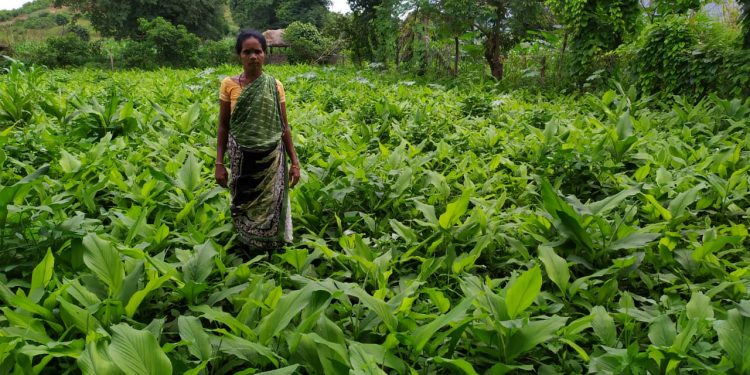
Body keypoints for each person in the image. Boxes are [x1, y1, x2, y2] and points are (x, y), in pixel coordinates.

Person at [215, 29, 301, 252]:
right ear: (239, 55)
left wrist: (295, 162)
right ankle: (247, 247)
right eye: (247, 52)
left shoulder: (274, 85)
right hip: (241, 157)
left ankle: (272, 246)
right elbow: (223, 126)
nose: (253, 56)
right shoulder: (229, 85)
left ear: (265, 54)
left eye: (258, 51)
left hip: (271, 156)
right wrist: (219, 163)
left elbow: (284, 126)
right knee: (243, 200)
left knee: (273, 202)